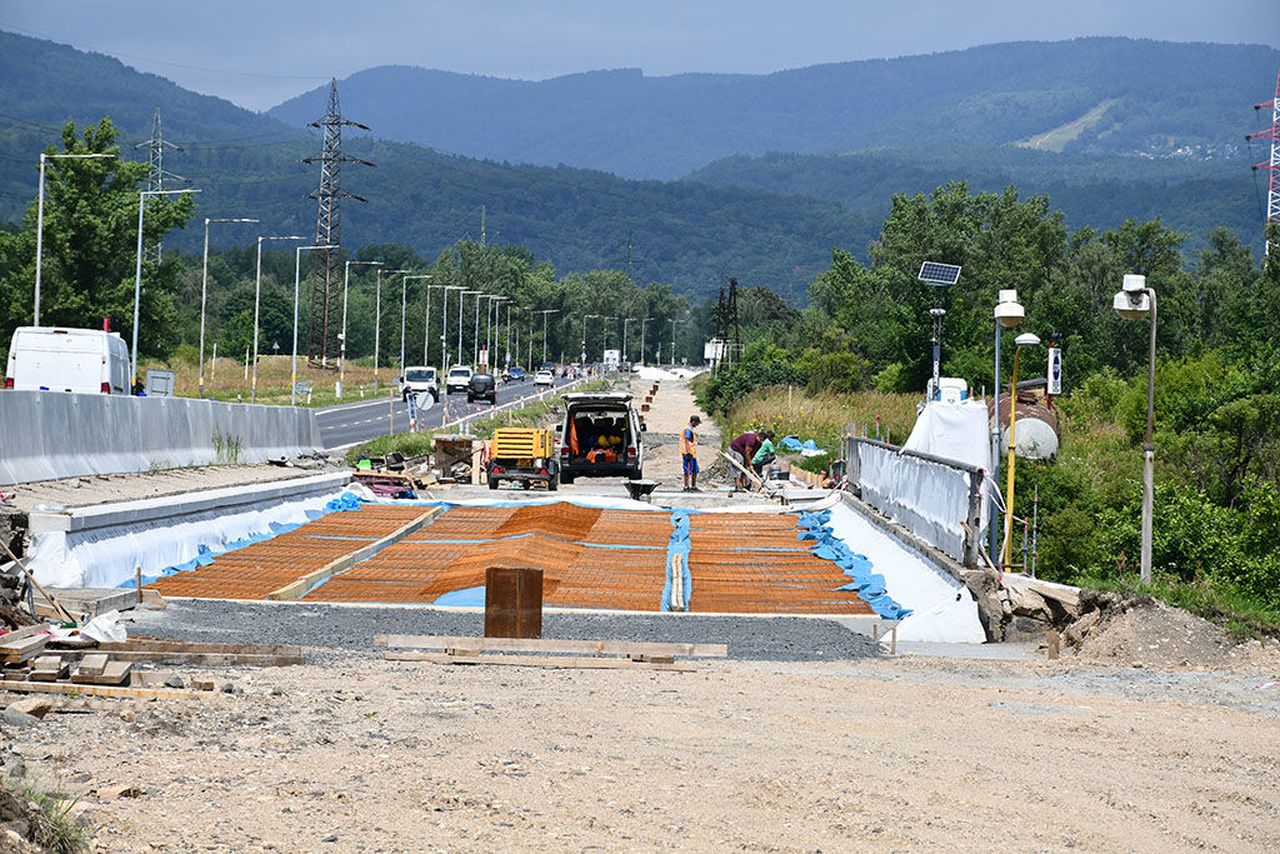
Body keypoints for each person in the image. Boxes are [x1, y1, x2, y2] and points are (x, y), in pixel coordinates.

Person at [680, 414, 701, 491]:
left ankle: (693, 486)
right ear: (693, 422)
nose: (697, 425)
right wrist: (689, 453)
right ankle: (686, 486)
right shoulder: (687, 429)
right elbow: (687, 442)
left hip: (692, 453)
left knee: (695, 470)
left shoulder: (690, 429)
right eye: (697, 423)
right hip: (687, 453)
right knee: (687, 470)